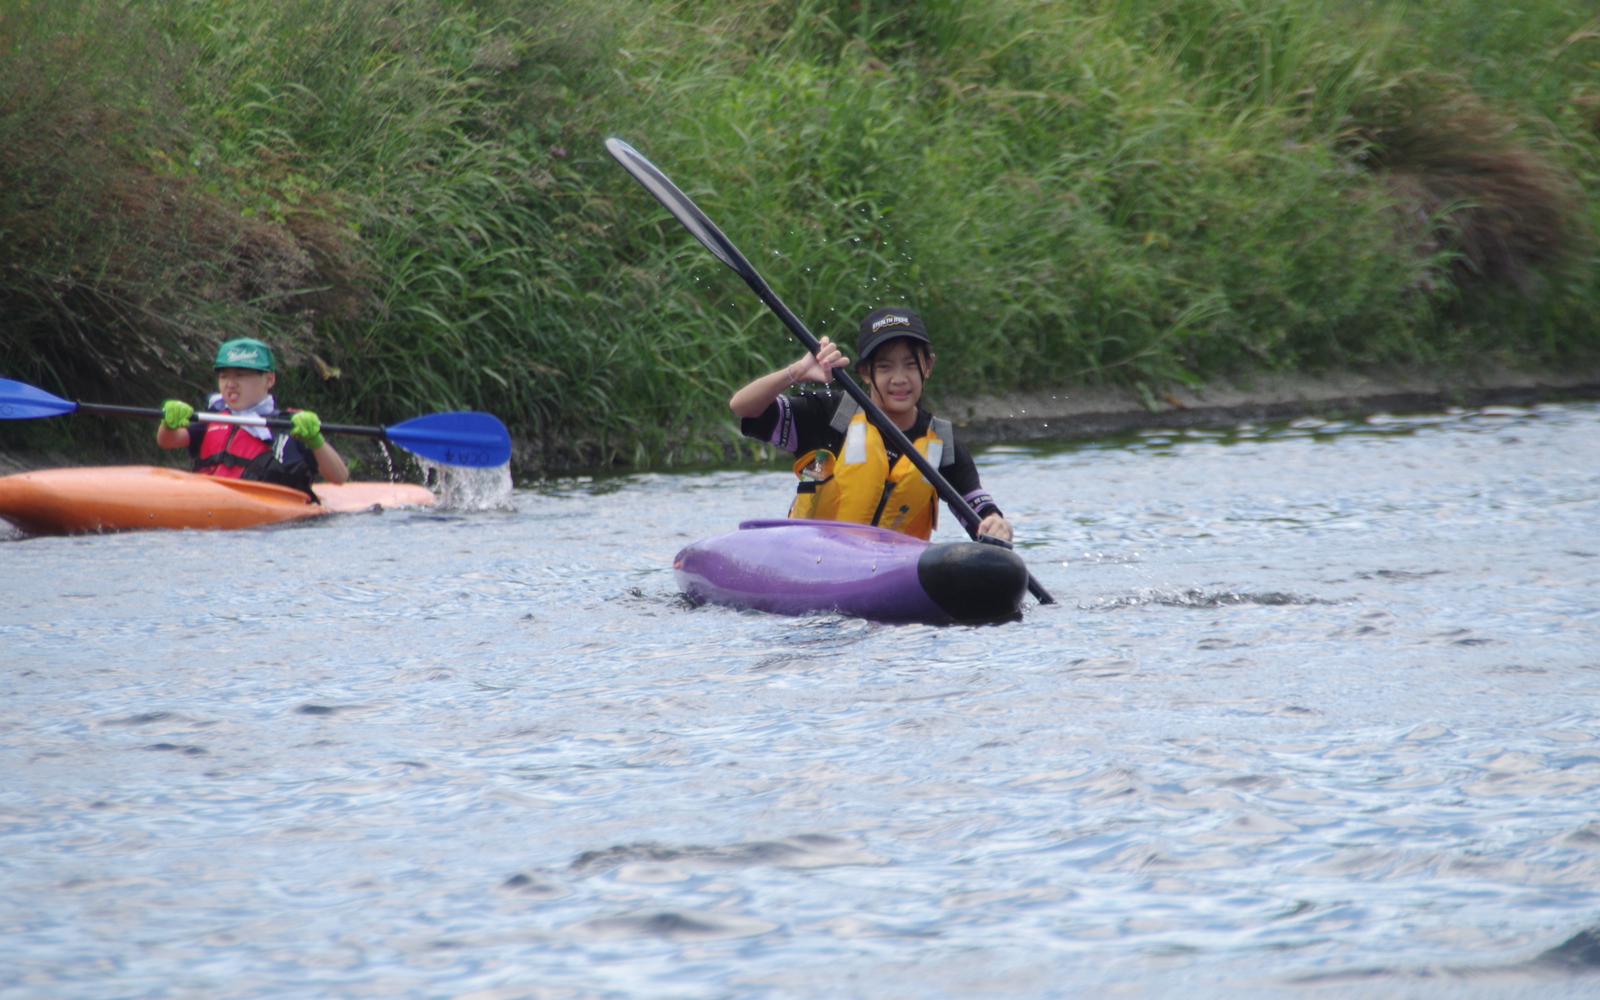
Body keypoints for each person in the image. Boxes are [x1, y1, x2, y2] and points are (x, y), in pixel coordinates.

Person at [729, 306, 1013, 542]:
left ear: (928, 366)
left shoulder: (943, 443)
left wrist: (996, 523)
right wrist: (797, 372)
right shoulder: (829, 414)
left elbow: (981, 513)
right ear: (864, 372)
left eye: (911, 365)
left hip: (895, 573)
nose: (899, 378)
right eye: (885, 366)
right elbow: (744, 408)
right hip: (814, 560)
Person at [156, 338, 349, 495]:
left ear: (269, 380)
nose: (230, 384)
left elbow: (340, 477)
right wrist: (169, 423)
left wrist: (315, 440)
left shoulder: (289, 424)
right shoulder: (214, 416)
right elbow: (168, 441)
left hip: (264, 516)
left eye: (240, 375)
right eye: (224, 376)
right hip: (206, 498)